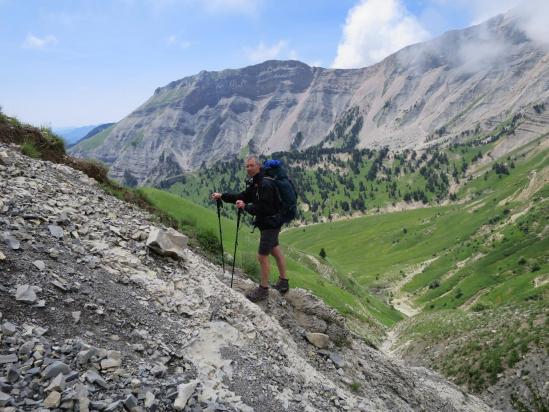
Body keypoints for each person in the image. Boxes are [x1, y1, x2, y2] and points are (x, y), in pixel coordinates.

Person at [211, 155, 289, 302]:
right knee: (274, 249)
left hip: (271, 223)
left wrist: (246, 207)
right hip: (271, 222)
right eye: (247, 166)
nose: (249, 168)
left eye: (252, 165)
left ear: (259, 166)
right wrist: (222, 196)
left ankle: (263, 290)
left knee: (262, 255)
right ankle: (283, 282)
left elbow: (264, 208)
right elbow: (242, 196)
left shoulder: (265, 184)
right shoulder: (256, 183)